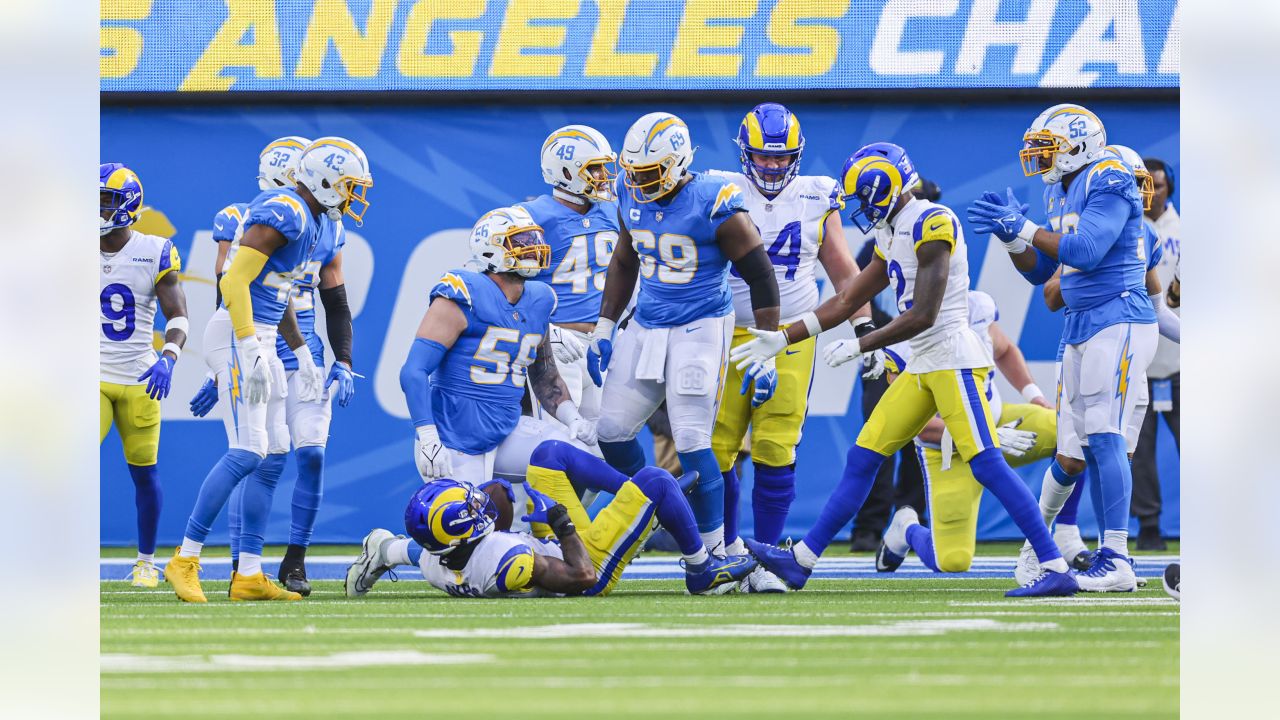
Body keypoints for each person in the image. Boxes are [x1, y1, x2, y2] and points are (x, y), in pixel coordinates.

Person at [732, 142, 1076, 597]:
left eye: (863, 196)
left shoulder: (932, 221)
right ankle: (801, 561)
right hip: (922, 361)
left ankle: (1053, 564)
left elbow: (924, 314)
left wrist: (862, 344)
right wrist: (786, 336)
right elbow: (848, 298)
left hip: (952, 357)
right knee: (864, 455)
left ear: (885, 184)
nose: (860, 208)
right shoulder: (892, 229)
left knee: (988, 463)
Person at [165, 137, 372, 603]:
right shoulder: (286, 209)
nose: (354, 194)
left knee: (275, 453)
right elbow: (234, 280)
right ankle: (185, 558)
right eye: (348, 185)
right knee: (248, 451)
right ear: (323, 179)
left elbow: (277, 292)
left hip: (263, 336)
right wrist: (246, 343)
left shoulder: (319, 223)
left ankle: (250, 575)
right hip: (238, 333)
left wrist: (299, 352)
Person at [967, 104, 1157, 592]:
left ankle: (1116, 557)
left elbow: (1087, 251)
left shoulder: (1110, 174)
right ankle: (1041, 552)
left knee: (1104, 432)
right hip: (1079, 323)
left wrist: (1027, 228)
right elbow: (1040, 273)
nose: (1041, 159)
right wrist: (1013, 239)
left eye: (1048, 148)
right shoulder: (1060, 188)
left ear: (1079, 145)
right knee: (1072, 447)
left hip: (1118, 317)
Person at [585, 112, 781, 558]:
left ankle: (714, 551)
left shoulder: (715, 202)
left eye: (648, 172)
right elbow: (623, 259)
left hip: (702, 324)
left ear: (676, 163)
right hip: (648, 322)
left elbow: (762, 277)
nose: (637, 181)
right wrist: (604, 326)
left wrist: (767, 349)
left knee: (692, 439)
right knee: (611, 431)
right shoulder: (626, 191)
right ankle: (649, 507)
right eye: (631, 172)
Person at [706, 102, 872, 591]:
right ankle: (726, 550)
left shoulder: (818, 195)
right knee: (717, 445)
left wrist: (864, 330)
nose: (774, 166)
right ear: (745, 154)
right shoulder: (718, 189)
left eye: (782, 158)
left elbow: (844, 270)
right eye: (764, 157)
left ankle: (767, 557)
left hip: (793, 333)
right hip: (724, 331)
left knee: (777, 442)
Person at [1026, 146, 1180, 575]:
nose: (1134, 194)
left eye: (1137, 186)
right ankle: (1095, 549)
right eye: (1127, 184)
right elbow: (1052, 293)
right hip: (1091, 335)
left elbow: (1158, 311)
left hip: (1126, 340)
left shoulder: (1144, 235)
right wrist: (1073, 265)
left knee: (1109, 445)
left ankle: (1113, 555)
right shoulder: (1082, 225)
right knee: (1090, 448)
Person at [345, 440, 756, 598]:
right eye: (470, 511)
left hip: (551, 547)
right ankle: (702, 570)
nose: (479, 506)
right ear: (461, 537)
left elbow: (413, 549)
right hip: (583, 564)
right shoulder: (505, 560)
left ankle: (644, 500)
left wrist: (385, 549)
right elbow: (582, 578)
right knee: (657, 480)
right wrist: (559, 522)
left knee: (547, 456)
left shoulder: (437, 558)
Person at [399, 206, 597, 493]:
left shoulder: (539, 299)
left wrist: (572, 417)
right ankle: (389, 542)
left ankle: (632, 497)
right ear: (491, 250)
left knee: (576, 454)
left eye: (533, 240)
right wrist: (428, 436)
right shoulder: (462, 293)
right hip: (454, 437)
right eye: (522, 242)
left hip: (506, 430)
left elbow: (544, 375)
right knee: (468, 531)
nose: (534, 248)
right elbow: (413, 371)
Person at [877, 291, 1057, 575]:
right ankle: (907, 528)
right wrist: (987, 435)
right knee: (952, 560)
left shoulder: (976, 308)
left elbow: (1005, 349)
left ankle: (1067, 537)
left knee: (1072, 434)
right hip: (949, 452)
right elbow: (917, 425)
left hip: (1001, 424)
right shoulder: (904, 342)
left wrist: (1033, 395)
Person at [99, 163, 190, 588]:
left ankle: (146, 561)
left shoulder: (153, 249)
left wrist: (168, 357)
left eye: (106, 200)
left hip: (139, 376)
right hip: (90, 376)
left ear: (128, 205)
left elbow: (178, 314)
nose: (96, 208)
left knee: (144, 472)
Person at [516, 125, 620, 452]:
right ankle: (546, 506)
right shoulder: (530, 218)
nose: (604, 175)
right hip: (559, 345)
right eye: (594, 168)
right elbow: (499, 285)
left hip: (604, 343)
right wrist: (541, 330)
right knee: (562, 449)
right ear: (566, 172)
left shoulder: (615, 209)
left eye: (604, 166)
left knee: (601, 453)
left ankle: (568, 508)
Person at [1131, 155, 1181, 550]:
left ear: (1169, 188)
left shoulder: (1187, 230)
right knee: (1138, 446)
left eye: (1157, 185)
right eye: (1144, 184)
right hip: (1140, 352)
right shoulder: (1126, 224)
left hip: (1181, 355)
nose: (1151, 192)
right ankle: (1148, 525)